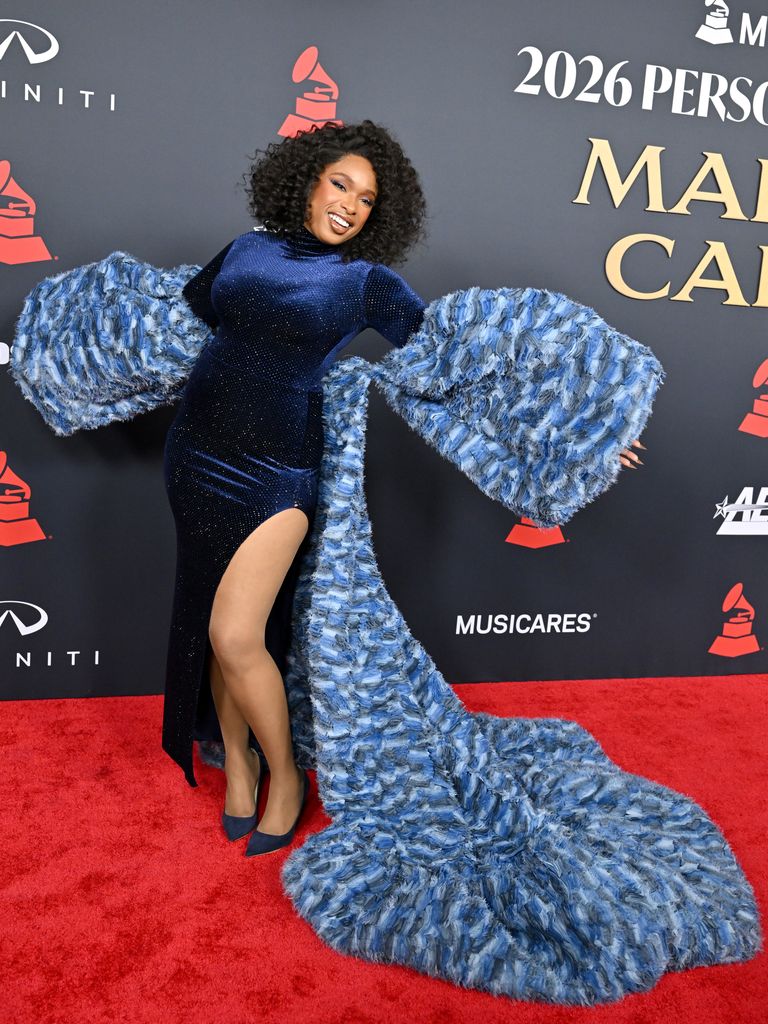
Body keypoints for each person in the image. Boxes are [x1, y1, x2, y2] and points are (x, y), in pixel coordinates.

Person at [162, 119, 645, 858]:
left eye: (365, 199)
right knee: (220, 631)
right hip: (194, 455)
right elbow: (185, 320)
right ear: (307, 180)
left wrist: (576, 430)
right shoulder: (245, 249)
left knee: (236, 631)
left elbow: (456, 363)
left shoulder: (365, 284)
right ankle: (240, 769)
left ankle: (285, 777)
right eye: (340, 185)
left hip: (277, 470)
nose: (350, 205)